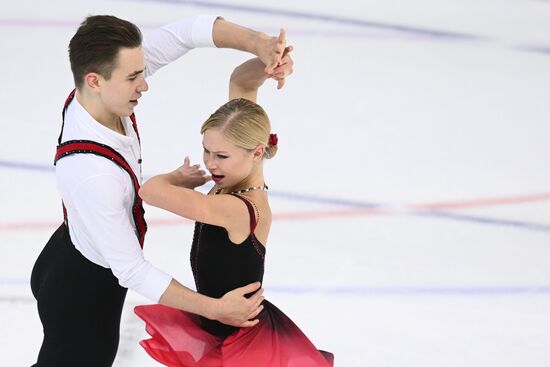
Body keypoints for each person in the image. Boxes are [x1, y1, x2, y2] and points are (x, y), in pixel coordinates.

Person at [30, 13, 293, 367]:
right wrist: (216, 309)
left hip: (72, 250)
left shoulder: (98, 96)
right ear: (94, 80)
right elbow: (133, 269)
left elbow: (185, 33)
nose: (146, 83)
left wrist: (258, 45)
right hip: (83, 291)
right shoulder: (92, 174)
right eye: (134, 77)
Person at [134, 52, 334, 366]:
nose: (210, 163)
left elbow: (151, 191)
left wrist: (176, 178)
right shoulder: (239, 161)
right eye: (206, 150)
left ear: (256, 152)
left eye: (221, 156)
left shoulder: (239, 208)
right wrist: (270, 60)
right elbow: (241, 80)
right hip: (219, 327)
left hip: (241, 341)